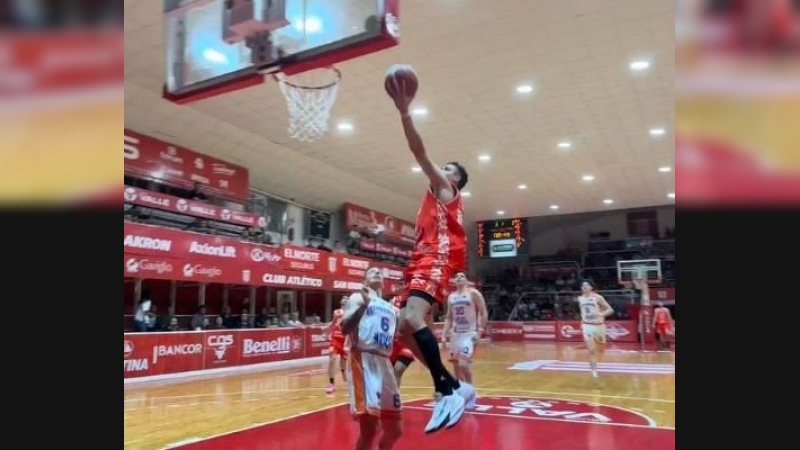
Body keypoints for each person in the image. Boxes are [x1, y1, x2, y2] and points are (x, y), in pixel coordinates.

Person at [385, 75, 475, 433]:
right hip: (423, 260)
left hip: (436, 259)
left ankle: (446, 389)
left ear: (453, 179)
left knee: (409, 320)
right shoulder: (433, 201)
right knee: (404, 330)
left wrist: (405, 113)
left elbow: (419, 152)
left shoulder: (445, 189)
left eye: (448, 169)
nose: (442, 169)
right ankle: (454, 386)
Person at [341, 267, 402, 450]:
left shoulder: (393, 309)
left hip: (384, 363)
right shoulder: (357, 298)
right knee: (370, 428)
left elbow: (399, 335)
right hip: (363, 358)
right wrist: (363, 306)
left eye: (379, 272)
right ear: (364, 281)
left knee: (395, 430)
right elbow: (345, 327)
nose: (377, 273)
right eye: (371, 272)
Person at [441, 271, 487, 407]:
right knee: (456, 368)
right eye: (457, 277)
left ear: (466, 281)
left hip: (469, 333)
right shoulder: (451, 297)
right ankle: (462, 392)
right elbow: (449, 317)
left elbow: (483, 312)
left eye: (462, 276)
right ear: (454, 282)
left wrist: (480, 331)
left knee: (463, 364)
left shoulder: (473, 293)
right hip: (455, 335)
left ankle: (472, 393)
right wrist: (444, 335)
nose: (460, 277)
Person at [576, 280, 614, 380]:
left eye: (587, 285)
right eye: (582, 285)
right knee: (591, 350)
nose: (584, 287)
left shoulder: (598, 297)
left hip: (599, 326)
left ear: (591, 287)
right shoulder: (579, 299)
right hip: (587, 326)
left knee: (601, 350)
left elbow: (610, 310)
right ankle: (594, 373)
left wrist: (600, 314)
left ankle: (596, 364)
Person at [322, 296, 349, 393]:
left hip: (345, 340)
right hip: (335, 339)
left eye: (346, 299)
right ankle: (331, 383)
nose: (344, 299)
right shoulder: (336, 312)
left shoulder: (351, 313)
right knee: (332, 359)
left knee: (343, 361)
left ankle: (343, 371)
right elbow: (333, 323)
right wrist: (326, 328)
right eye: (343, 299)